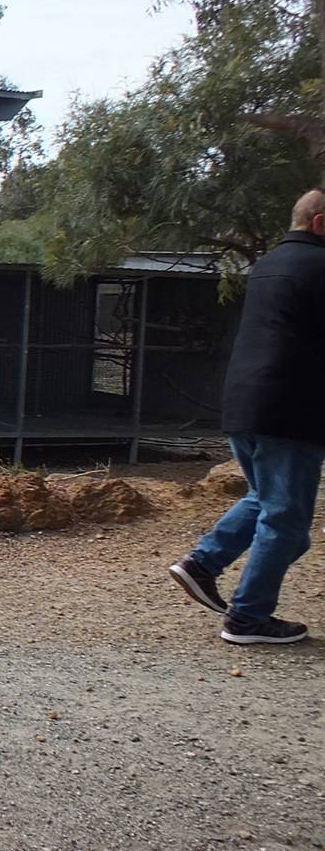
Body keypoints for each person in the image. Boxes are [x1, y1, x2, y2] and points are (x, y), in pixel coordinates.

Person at [169, 188, 325, 645]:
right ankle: (248, 618)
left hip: (245, 401)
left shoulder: (269, 264)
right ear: (320, 223)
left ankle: (203, 563)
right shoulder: (319, 266)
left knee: (265, 497)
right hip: (290, 408)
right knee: (287, 522)